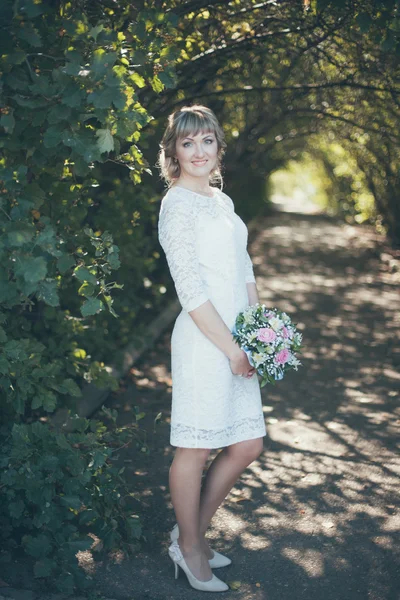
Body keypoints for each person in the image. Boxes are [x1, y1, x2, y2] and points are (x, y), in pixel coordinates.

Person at [157, 105, 267, 592]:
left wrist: (260, 335)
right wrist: (230, 349)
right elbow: (192, 292)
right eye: (187, 143)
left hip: (239, 340)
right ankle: (191, 547)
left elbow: (244, 269)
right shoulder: (176, 205)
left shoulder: (222, 201)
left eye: (206, 141)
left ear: (219, 147)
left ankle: (190, 535)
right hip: (206, 342)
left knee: (246, 444)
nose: (198, 151)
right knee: (196, 448)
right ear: (174, 153)